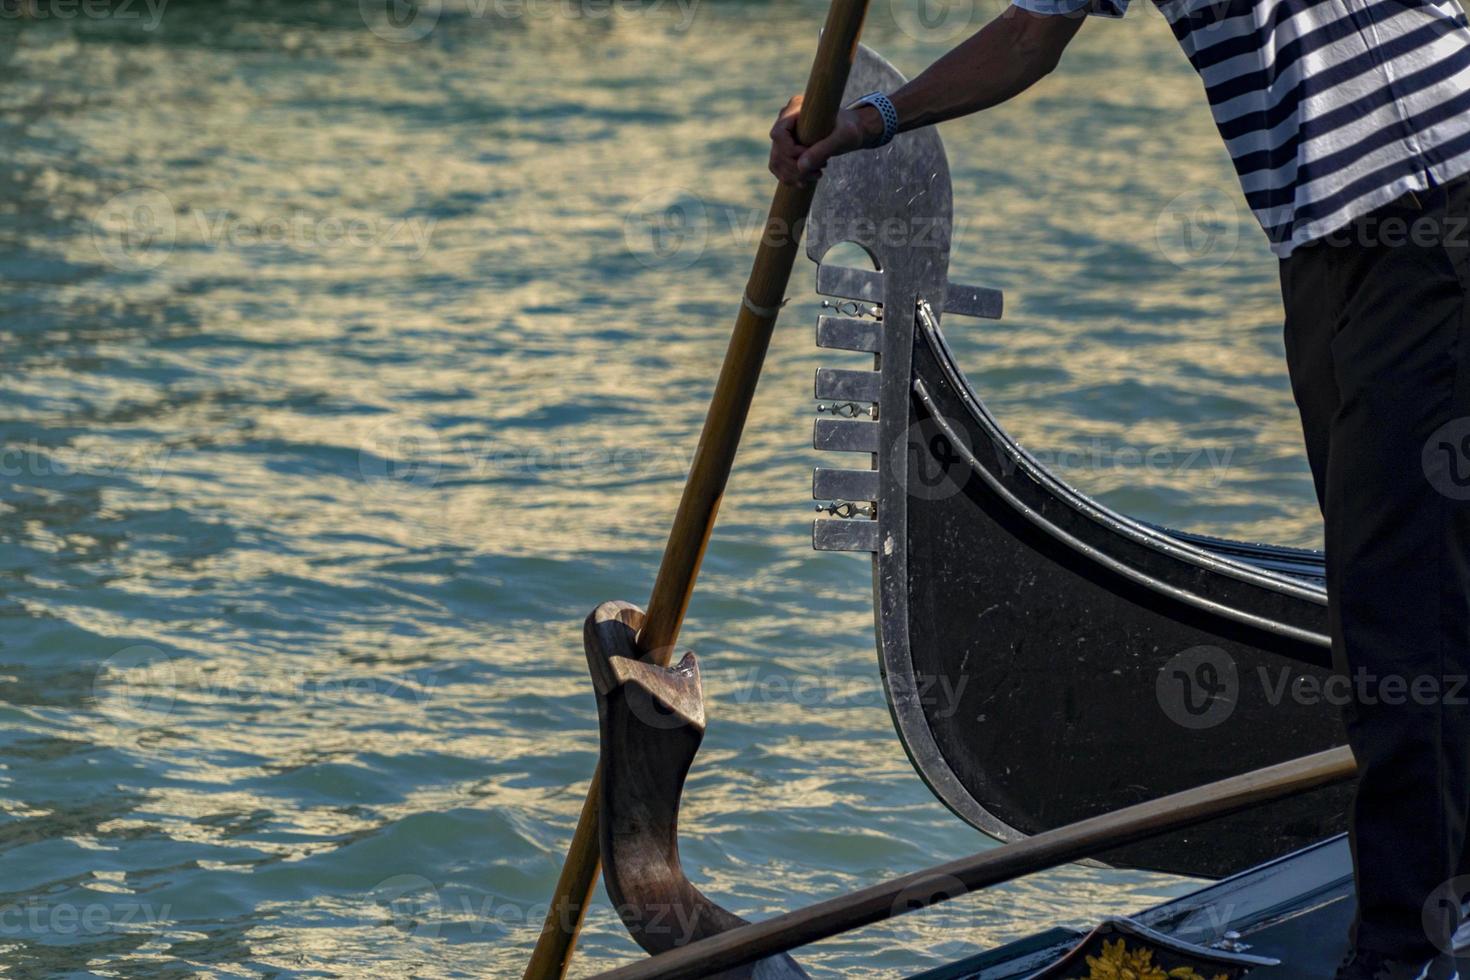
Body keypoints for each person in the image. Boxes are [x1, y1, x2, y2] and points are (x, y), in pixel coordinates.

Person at [770, 3, 1470, 978]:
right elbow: (1028, 35)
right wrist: (873, 119)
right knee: (1382, 618)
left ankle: (1402, 956)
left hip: (1438, 203)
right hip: (1321, 254)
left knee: (1407, 622)